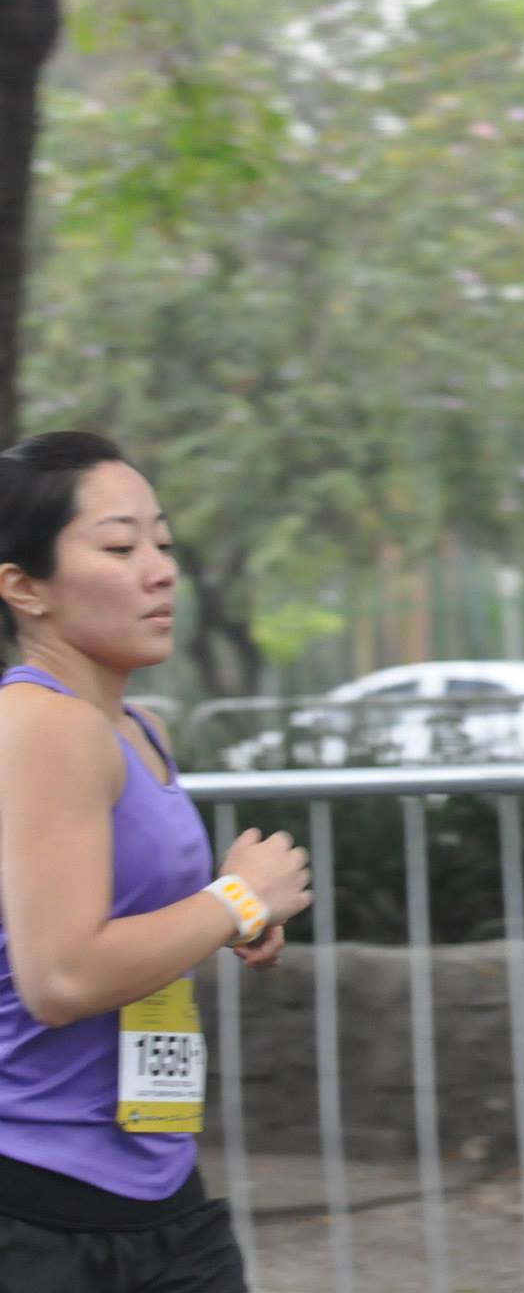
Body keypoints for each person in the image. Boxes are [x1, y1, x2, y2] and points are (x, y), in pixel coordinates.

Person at [0, 431, 312, 1293]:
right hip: (38, 1205)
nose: (160, 571)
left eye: (163, 544)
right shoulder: (44, 725)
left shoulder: (140, 729)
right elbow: (61, 977)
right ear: (23, 587)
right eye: (119, 548)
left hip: (155, 1184)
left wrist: (226, 919)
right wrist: (235, 902)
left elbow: (115, 916)